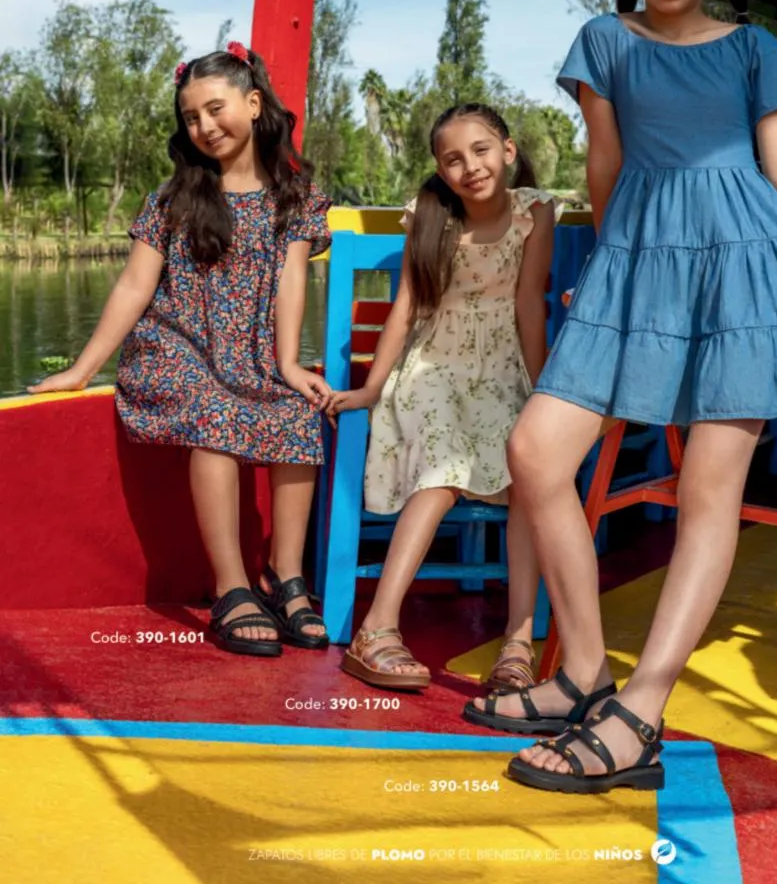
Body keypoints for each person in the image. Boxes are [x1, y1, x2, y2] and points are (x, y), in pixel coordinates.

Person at [468, 0, 777, 792]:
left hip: (747, 264)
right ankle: (584, 671)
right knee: (535, 452)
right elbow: (605, 163)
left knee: (706, 490)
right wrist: (608, 267)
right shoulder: (604, 43)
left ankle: (640, 711)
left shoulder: (755, 50)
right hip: (635, 257)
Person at [29, 42, 334, 658]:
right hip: (175, 346)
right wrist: (83, 369)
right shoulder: (175, 199)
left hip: (250, 351)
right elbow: (135, 286)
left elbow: (291, 283)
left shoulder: (295, 198)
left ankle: (286, 577)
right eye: (191, 117)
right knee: (213, 414)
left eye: (216, 109)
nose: (205, 127)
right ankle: (231, 587)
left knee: (298, 410)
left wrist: (287, 364)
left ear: (254, 104)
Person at [325, 104, 559, 692]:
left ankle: (517, 640)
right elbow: (406, 309)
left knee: (529, 470)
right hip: (432, 368)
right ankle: (376, 629)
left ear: (507, 151)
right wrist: (371, 388)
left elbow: (530, 306)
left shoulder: (534, 213)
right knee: (444, 466)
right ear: (440, 169)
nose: (470, 166)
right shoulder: (430, 216)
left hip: (502, 369)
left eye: (481, 150)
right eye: (453, 159)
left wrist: (543, 393)